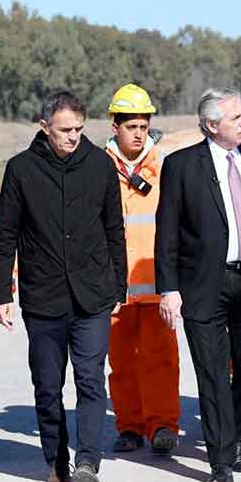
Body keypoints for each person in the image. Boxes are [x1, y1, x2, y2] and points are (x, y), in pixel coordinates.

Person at [0, 91, 127, 482]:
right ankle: (56, 459)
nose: (72, 137)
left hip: (93, 297)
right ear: (44, 126)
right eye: (65, 130)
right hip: (44, 298)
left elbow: (113, 229)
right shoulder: (21, 170)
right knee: (48, 386)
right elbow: (5, 237)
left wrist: (118, 286)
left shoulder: (101, 165)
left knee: (90, 381)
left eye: (79, 130)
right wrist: (2, 294)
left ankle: (87, 461)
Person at [155, 88, 241, 482]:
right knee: (212, 372)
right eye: (237, 119)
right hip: (203, 285)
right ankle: (220, 459)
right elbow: (167, 232)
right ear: (212, 125)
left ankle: (240, 438)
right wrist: (169, 289)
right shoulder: (181, 166)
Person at [104, 84, 180, 453]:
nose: (138, 132)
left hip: (156, 285)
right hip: (113, 291)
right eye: (131, 125)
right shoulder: (98, 168)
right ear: (114, 126)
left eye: (143, 125)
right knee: (121, 364)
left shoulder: (166, 168)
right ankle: (130, 427)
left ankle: (164, 426)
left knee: (161, 360)